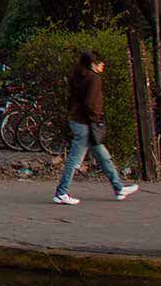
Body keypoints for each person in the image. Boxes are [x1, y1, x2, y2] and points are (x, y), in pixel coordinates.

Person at [54, 50, 138, 205]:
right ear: (93, 64)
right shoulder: (94, 79)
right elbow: (91, 103)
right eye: (100, 62)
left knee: (102, 156)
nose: (103, 64)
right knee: (75, 159)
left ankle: (119, 187)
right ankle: (61, 192)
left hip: (77, 120)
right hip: (86, 123)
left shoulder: (77, 76)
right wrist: (96, 118)